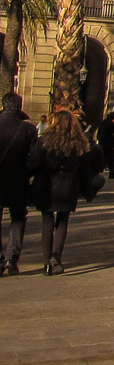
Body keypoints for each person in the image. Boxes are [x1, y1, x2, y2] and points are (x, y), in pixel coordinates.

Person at [27, 109, 101, 275]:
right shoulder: (78, 142)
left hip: (46, 183)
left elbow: (33, 163)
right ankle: (57, 257)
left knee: (47, 221)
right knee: (62, 221)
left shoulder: (43, 141)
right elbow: (85, 168)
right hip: (68, 184)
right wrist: (87, 189)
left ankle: (46, 262)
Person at [0, 93, 38, 274]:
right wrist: (27, 172)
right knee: (18, 217)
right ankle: (11, 259)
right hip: (18, 180)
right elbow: (34, 158)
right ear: (19, 105)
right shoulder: (28, 129)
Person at [97, 112, 114, 180]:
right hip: (109, 144)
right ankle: (112, 173)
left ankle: (98, 171)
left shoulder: (103, 123)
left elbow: (98, 132)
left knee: (102, 158)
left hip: (101, 143)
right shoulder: (112, 125)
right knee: (111, 159)